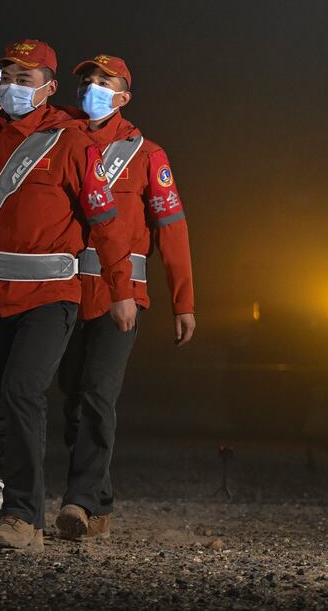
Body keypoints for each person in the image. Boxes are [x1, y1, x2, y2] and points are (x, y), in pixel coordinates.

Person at [0, 38, 131, 552]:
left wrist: (120, 290)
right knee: (4, 407)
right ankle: (20, 512)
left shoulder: (73, 145)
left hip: (51, 296)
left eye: (24, 80)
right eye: (6, 77)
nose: (11, 87)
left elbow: (107, 225)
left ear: (49, 89)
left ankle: (23, 518)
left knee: (22, 392)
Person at [56, 54, 195, 540]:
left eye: (104, 82)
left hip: (123, 296)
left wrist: (184, 301)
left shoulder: (147, 155)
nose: (92, 87)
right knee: (72, 396)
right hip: (65, 292)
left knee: (98, 393)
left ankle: (77, 501)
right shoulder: (59, 140)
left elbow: (171, 229)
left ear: (124, 96)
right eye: (88, 81)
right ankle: (99, 500)